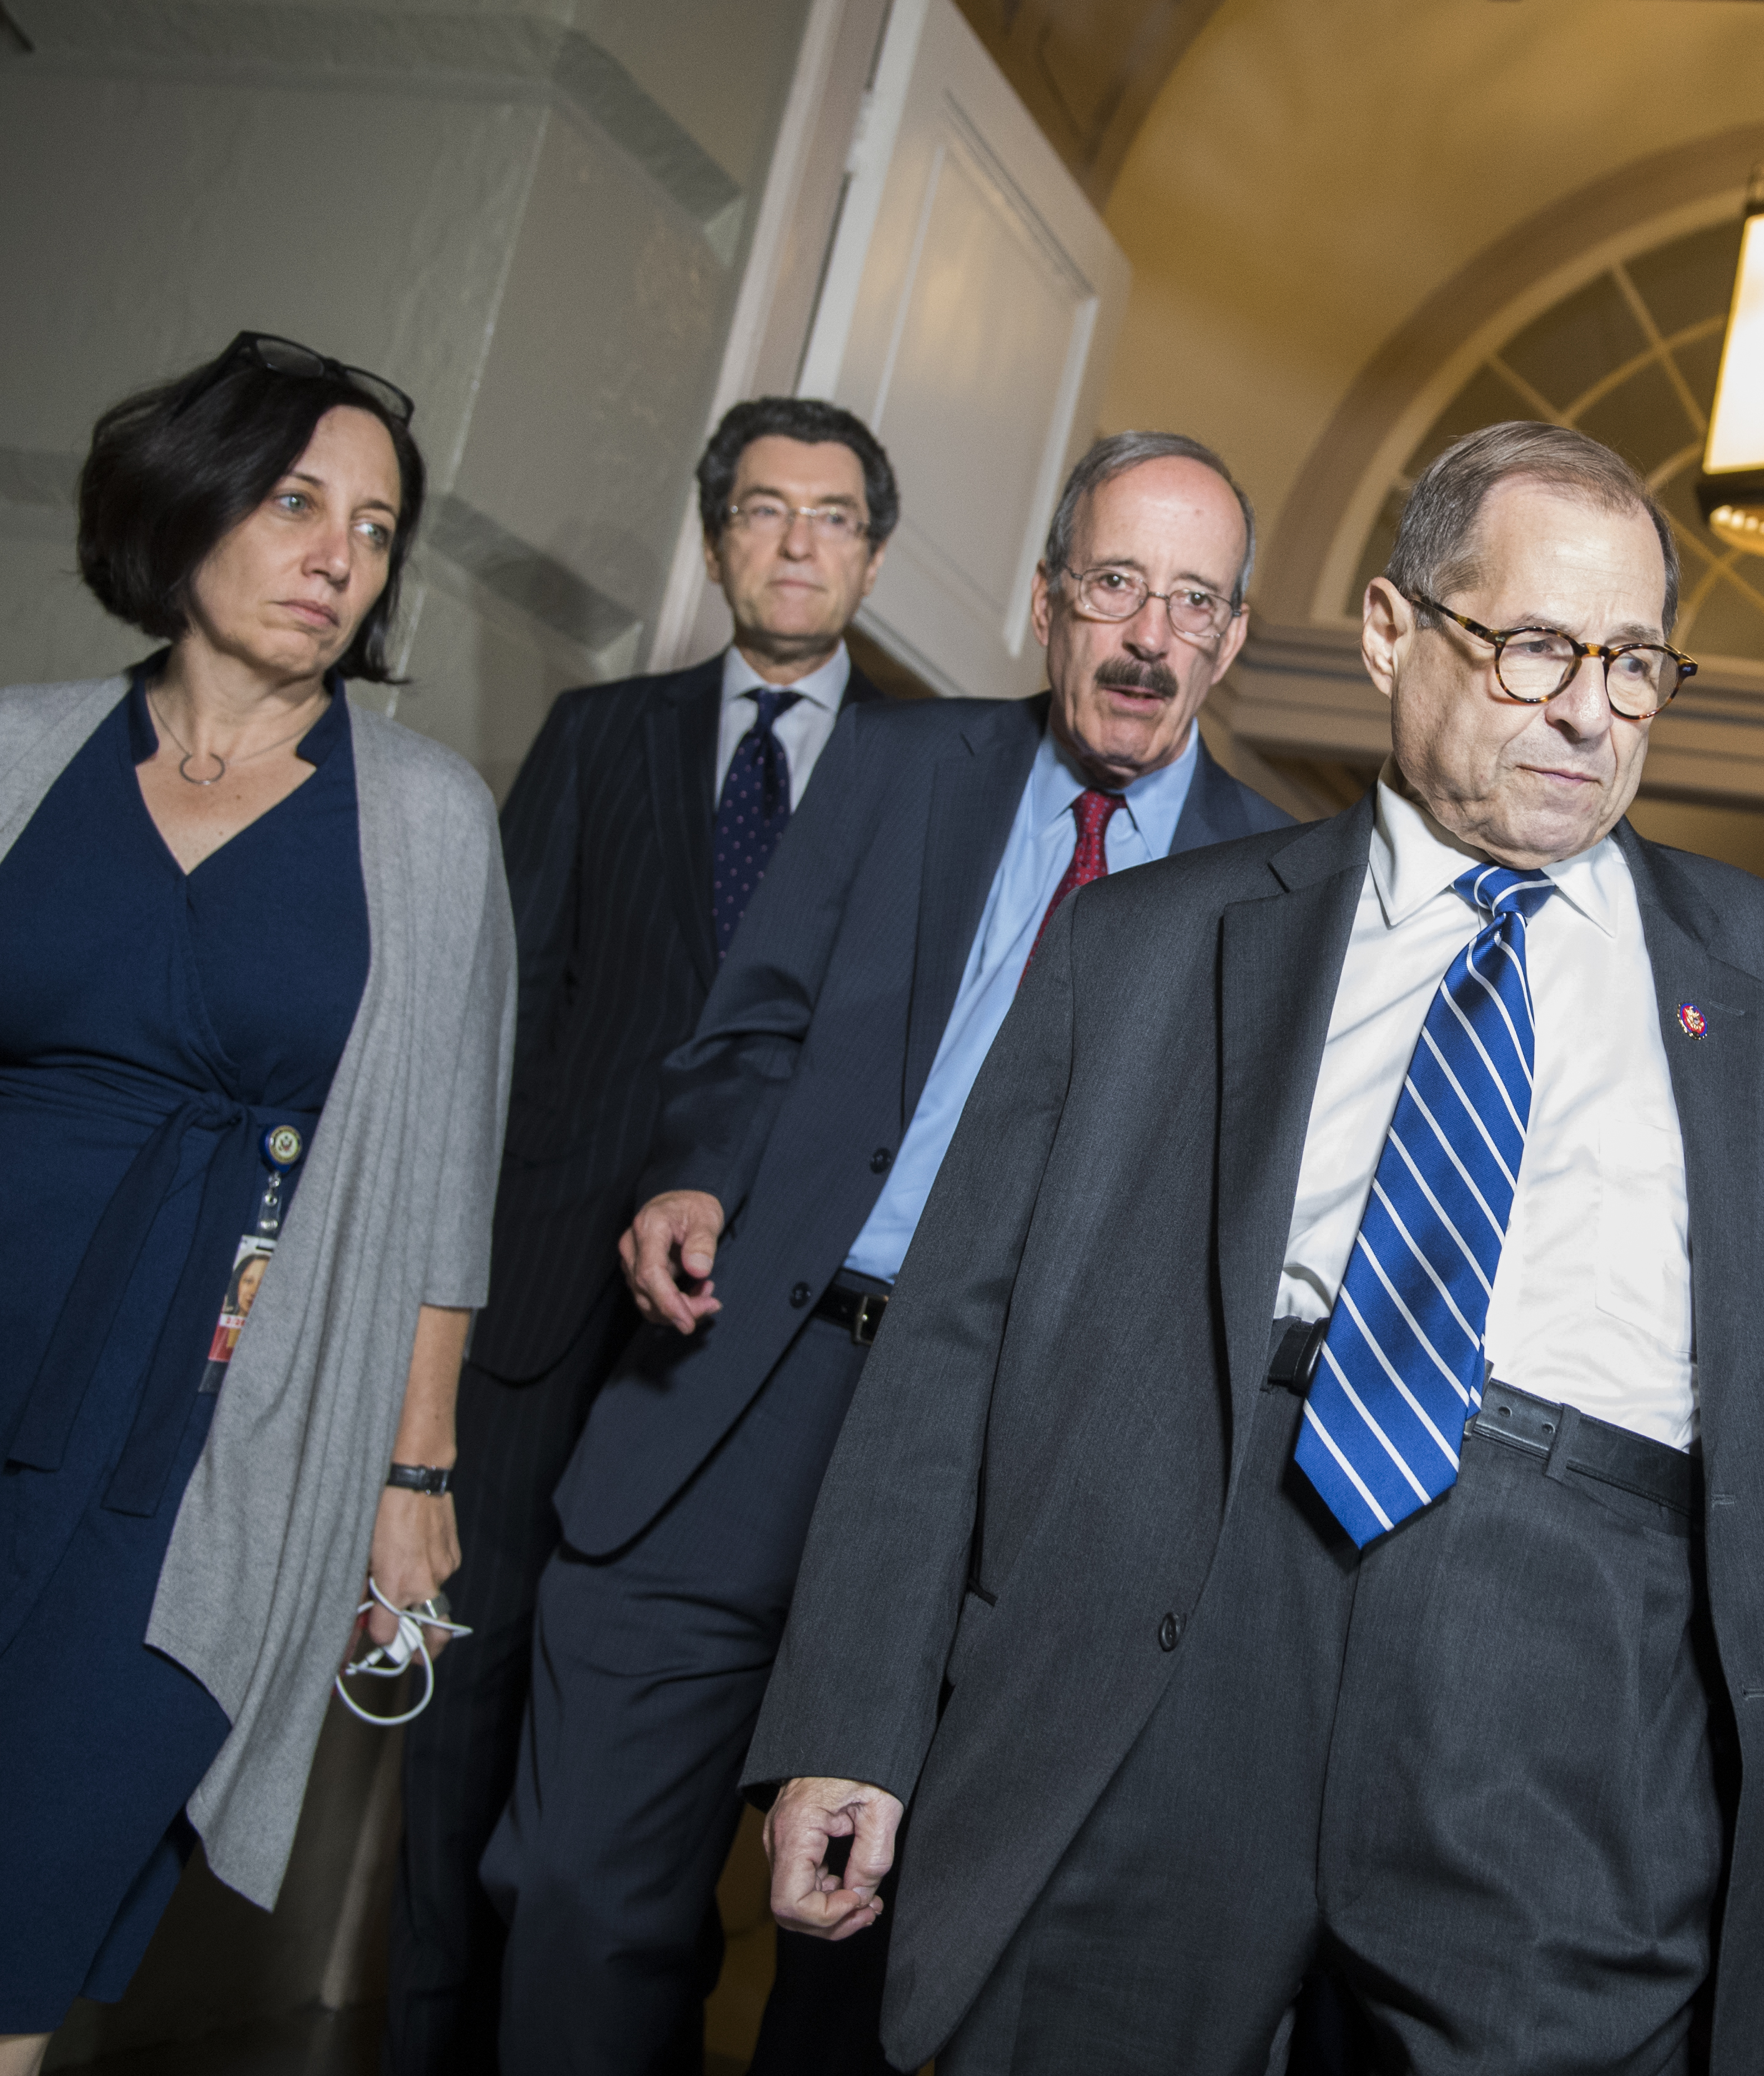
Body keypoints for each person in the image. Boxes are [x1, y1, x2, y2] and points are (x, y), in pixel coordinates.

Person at [744, 420, 1764, 2076]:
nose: (1590, 709)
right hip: (1179, 1628)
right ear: (1388, 630)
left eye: (1637, 663)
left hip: (1573, 1678)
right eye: (1535, 649)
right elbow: (956, 1342)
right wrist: (854, 1716)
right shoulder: (1145, 948)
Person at [481, 430, 1294, 2074]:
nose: (1149, 635)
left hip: (996, 1464)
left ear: (1233, 635)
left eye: (1192, 600)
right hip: (747, 1385)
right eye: (1117, 584)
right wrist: (698, 1175)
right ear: (1053, 599)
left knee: (863, 1952)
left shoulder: (1276, 888)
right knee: (574, 1892)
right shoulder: (898, 765)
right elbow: (750, 1025)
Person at [0, 334, 510, 2067]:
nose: (338, 555)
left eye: (372, 528)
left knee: (25, 1883)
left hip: (213, 1429)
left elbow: (444, 1165)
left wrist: (414, 1471)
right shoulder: (10, 752)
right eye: (297, 503)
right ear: (190, 506)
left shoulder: (420, 819)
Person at [386, 396, 897, 2076]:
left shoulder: (924, 775)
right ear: (718, 535)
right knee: (462, 1736)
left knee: (650, 1783)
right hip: (536, 1328)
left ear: (873, 553)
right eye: (765, 510)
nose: (799, 541)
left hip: (735, 1346)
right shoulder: (602, 737)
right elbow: (494, 1022)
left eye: (833, 515)